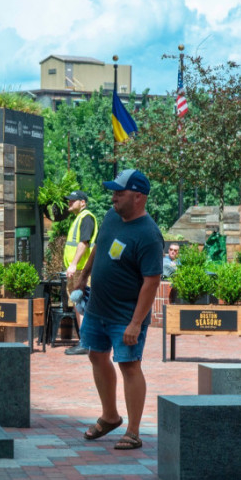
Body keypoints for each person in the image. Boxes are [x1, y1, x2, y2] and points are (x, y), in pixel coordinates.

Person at [74, 169, 162, 450]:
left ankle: (134, 432)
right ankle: (110, 416)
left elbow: (152, 282)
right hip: (97, 309)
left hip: (125, 315)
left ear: (138, 197)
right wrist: (83, 275)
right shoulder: (112, 217)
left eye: (119, 193)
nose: (113, 197)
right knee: (96, 356)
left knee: (129, 365)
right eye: (113, 192)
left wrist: (136, 323)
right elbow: (99, 247)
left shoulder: (149, 235)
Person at [62, 189, 97, 355]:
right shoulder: (79, 218)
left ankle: (86, 342)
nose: (70, 202)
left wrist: (74, 264)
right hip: (77, 270)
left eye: (73, 200)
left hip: (82, 270)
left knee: (82, 305)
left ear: (83, 202)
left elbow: (84, 243)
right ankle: (86, 341)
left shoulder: (86, 217)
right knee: (79, 305)